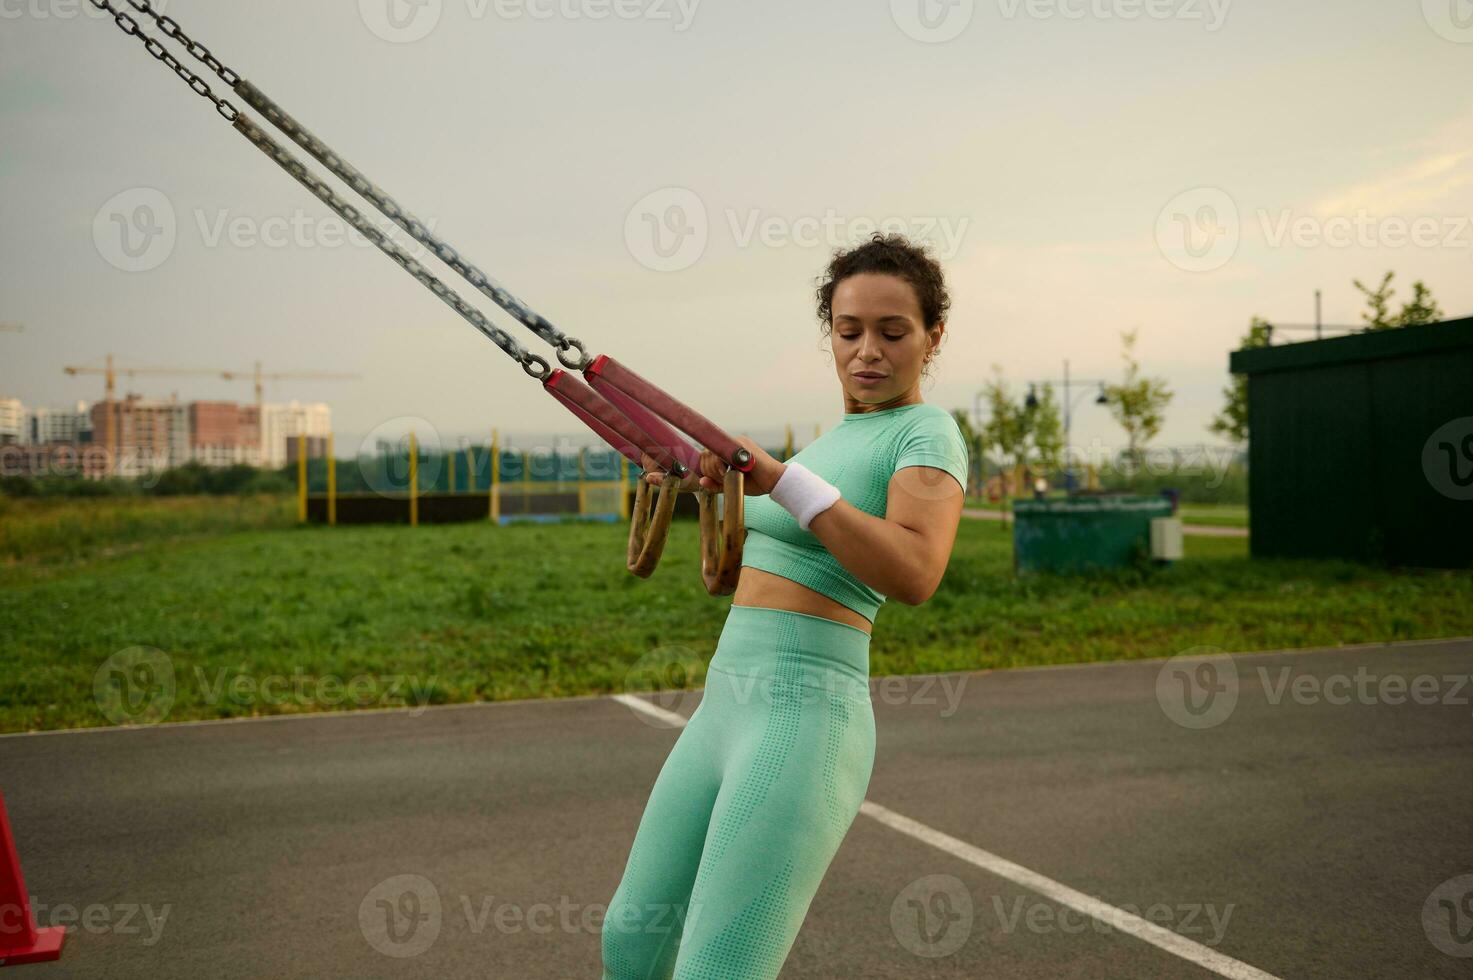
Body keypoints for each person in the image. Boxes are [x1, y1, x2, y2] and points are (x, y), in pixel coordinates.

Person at [601, 233, 970, 979]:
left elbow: (914, 570)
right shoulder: (832, 444)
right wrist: (709, 486)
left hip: (802, 719)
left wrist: (781, 484)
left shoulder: (925, 433)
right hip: (724, 703)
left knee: (718, 969)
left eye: (892, 332)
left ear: (933, 337)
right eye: (848, 330)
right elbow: (738, 575)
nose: (868, 350)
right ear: (828, 335)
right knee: (631, 941)